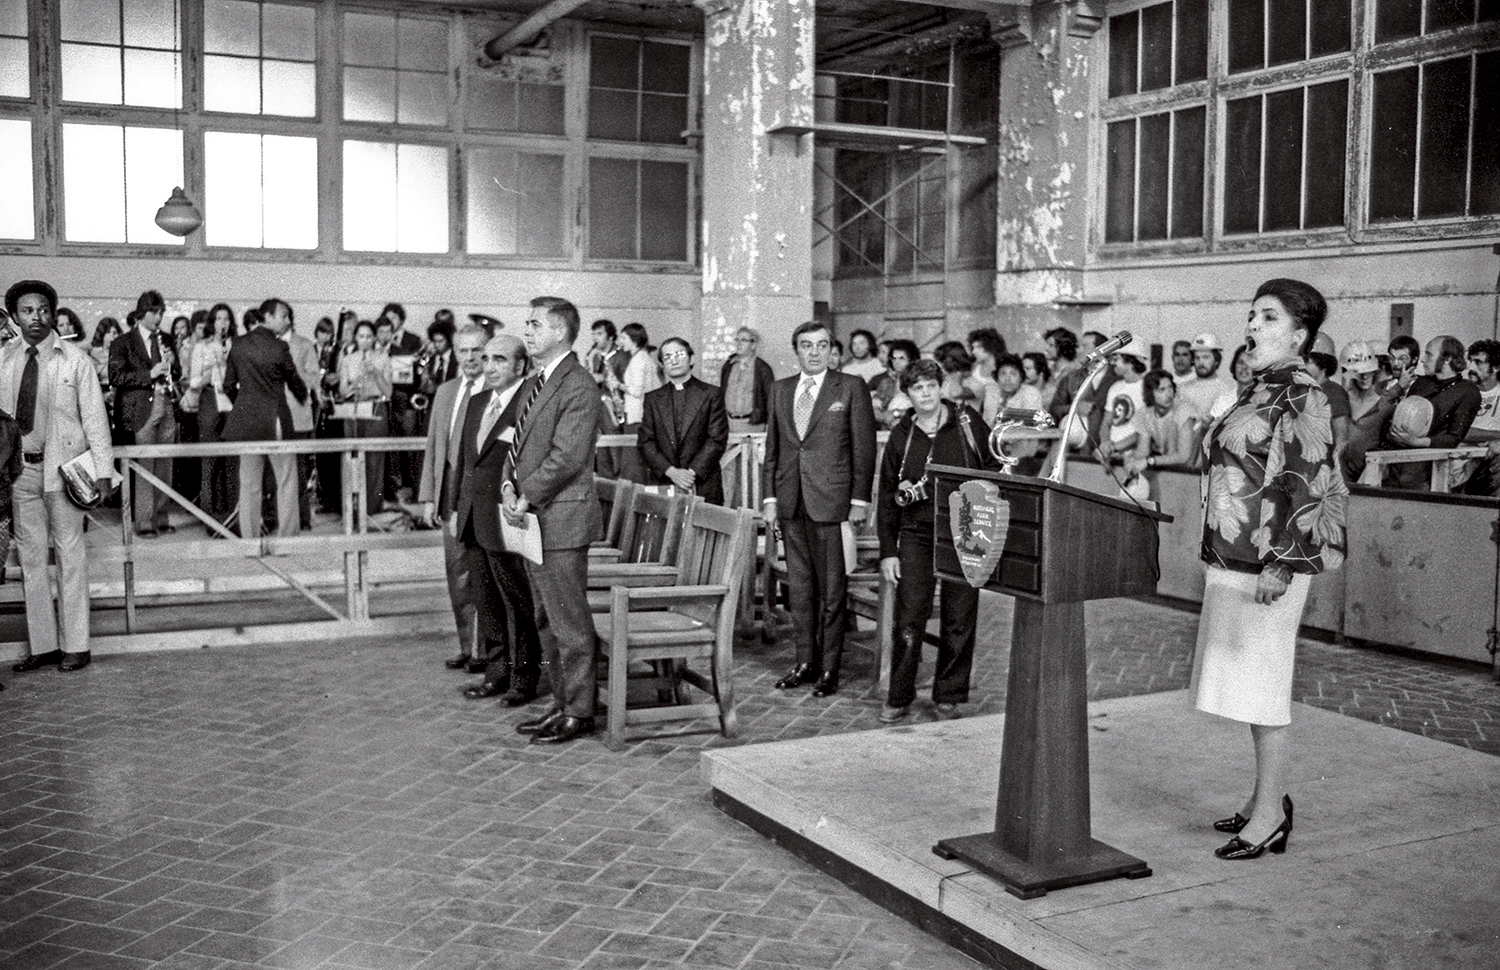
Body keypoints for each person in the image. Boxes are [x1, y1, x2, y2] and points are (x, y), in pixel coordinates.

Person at [1194, 278, 1346, 861]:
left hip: (1269, 562)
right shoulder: (1261, 388)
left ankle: (1270, 819)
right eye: (1252, 315)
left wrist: (1283, 564)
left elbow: (1306, 482)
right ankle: (1266, 798)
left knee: (1264, 688)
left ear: (1300, 335)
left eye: (1269, 318)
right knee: (1250, 686)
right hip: (1236, 557)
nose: (1253, 325)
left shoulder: (1302, 393)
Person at [504, 297, 602, 745]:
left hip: (561, 519)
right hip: (534, 517)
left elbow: (567, 457)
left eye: (535, 324)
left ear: (561, 332)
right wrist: (508, 485)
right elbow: (517, 444)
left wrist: (525, 494)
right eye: (527, 323)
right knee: (546, 619)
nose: (527, 330)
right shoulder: (536, 382)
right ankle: (562, 702)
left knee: (569, 622)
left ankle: (581, 711)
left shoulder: (577, 385)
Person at [3, 280, 114, 674]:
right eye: (28, 311)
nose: (37, 317)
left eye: (44, 310)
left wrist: (103, 472)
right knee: (31, 560)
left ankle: (76, 645)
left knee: (70, 554)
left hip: (65, 472)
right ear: (15, 317)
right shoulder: (4, 359)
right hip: (20, 472)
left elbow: (96, 420)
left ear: (53, 314)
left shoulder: (75, 360)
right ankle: (45, 646)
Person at [763, 320, 877, 698]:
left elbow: (864, 448)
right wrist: (770, 500)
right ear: (796, 350)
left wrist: (859, 501)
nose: (814, 352)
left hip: (831, 504)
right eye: (806, 345)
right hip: (791, 503)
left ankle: (829, 668)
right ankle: (804, 662)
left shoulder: (849, 387)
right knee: (800, 591)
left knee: (831, 591)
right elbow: (774, 451)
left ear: (831, 350)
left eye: (821, 345)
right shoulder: (780, 389)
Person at [877, 359, 994, 723]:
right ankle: (899, 695)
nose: (925, 394)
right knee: (910, 617)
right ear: (907, 394)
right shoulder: (902, 433)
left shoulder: (967, 422)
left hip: (966, 528)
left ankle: (949, 695)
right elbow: (886, 497)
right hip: (916, 534)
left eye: (930, 386)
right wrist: (888, 551)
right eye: (917, 388)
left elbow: (993, 470)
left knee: (960, 616)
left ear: (940, 387)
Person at [454, 332, 542, 703]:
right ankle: (496, 671)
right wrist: (455, 509)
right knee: (487, 600)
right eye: (486, 359)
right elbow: (465, 462)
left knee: (515, 600)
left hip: (507, 517)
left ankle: (523, 678)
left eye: (499, 360)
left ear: (521, 365)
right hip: (474, 516)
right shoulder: (476, 403)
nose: (488, 366)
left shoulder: (529, 403)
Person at [419, 323, 490, 670]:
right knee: (456, 571)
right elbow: (434, 446)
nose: (471, 357)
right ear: (455, 353)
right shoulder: (446, 391)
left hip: (480, 495)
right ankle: (467, 646)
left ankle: (485, 650)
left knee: (481, 573)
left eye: (477, 350)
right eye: (464, 350)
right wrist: (429, 496)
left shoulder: (497, 390)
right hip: (449, 493)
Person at [221, 298, 308, 539]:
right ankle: (288, 536)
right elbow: (295, 383)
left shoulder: (237, 344)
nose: (287, 320)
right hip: (275, 419)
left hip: (247, 422)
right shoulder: (279, 347)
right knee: (286, 479)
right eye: (283, 315)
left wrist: (245, 404)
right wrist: (305, 396)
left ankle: (249, 539)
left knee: (249, 483)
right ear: (267, 317)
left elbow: (228, 385)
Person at [109, 290, 178, 537]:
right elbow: (116, 376)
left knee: (165, 466)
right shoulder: (123, 343)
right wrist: (148, 375)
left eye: (161, 312)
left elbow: (176, 374)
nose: (158, 317)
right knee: (146, 466)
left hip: (166, 404)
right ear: (141, 313)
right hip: (142, 410)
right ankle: (144, 521)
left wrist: (173, 363)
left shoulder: (166, 339)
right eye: (154, 312)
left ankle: (162, 516)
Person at [1381, 336, 1481, 490]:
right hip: (1392, 461)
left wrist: (1416, 442)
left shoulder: (1468, 392)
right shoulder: (1422, 383)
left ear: (1447, 358)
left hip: (1427, 469)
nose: (1423, 360)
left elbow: (1453, 438)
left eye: (1429, 354)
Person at [638, 337, 729, 504]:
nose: (673, 360)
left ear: (691, 358)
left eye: (679, 354)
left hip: (703, 481)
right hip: (664, 481)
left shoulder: (711, 394)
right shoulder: (653, 399)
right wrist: (672, 472)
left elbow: (716, 439)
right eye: (667, 357)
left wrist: (690, 474)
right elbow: (646, 442)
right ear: (662, 365)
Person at [338, 321, 393, 518]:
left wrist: (376, 373)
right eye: (361, 336)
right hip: (355, 408)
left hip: (377, 406)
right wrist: (352, 387)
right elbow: (342, 391)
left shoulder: (383, 358)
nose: (365, 341)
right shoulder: (347, 360)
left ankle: (371, 507)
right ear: (356, 338)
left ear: (374, 338)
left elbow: (389, 391)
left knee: (374, 460)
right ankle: (351, 507)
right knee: (351, 458)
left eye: (369, 336)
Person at [190, 304, 238, 521]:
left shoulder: (235, 345)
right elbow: (192, 382)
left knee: (232, 463)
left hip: (231, 402)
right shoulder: (202, 347)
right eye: (219, 319)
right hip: (209, 400)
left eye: (226, 319)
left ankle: (231, 514)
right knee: (209, 463)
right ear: (212, 323)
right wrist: (206, 377)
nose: (223, 323)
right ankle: (209, 516)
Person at [277, 302, 321, 531]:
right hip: (275, 415)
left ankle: (302, 518)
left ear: (288, 319)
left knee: (300, 470)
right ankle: (280, 517)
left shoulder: (304, 345)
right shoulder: (268, 344)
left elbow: (314, 379)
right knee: (278, 471)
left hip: (298, 413)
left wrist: (293, 370)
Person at [1123, 370, 1203, 479]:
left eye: (1170, 388)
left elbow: (1183, 456)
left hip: (1196, 472)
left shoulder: (1183, 410)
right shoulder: (1145, 413)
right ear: (1150, 393)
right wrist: (1130, 459)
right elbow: (1143, 450)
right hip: (1173, 471)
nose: (1169, 394)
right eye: (1162, 390)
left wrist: (1149, 461)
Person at [609, 322, 660, 482]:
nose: (620, 342)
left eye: (623, 338)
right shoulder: (643, 358)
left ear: (634, 339)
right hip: (641, 416)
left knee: (633, 464)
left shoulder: (639, 360)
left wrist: (617, 385)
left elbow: (637, 390)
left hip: (638, 418)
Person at [1340, 339, 1389, 482]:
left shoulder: (1384, 406)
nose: (1365, 376)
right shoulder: (1339, 400)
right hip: (1338, 474)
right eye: (1358, 372)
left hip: (1367, 476)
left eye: (1369, 371)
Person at [1457, 340, 1500, 495]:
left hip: (1488, 466)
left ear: (1496, 367)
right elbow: (1460, 431)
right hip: (1458, 464)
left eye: (1478, 362)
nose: (1471, 368)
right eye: (1470, 361)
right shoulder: (1461, 392)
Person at [1305, 332, 1351, 472]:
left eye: (1307, 361)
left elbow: (1342, 440)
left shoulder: (1334, 393)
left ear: (1323, 365)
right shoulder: (1302, 392)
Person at [718, 326, 775, 432]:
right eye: (737, 340)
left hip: (753, 424)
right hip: (728, 423)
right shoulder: (728, 365)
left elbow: (771, 401)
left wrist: (769, 426)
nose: (739, 343)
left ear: (753, 345)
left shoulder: (762, 369)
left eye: (744, 340)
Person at [1178, 332, 1237, 419]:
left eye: (1206, 357)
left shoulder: (1226, 391)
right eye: (1197, 358)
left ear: (1216, 360)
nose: (1201, 362)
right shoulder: (1182, 389)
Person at [870, 339, 919, 428]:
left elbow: (924, 409)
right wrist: (881, 416)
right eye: (894, 358)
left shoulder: (919, 383)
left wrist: (895, 413)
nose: (897, 362)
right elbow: (875, 406)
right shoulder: (886, 382)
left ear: (912, 360)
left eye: (901, 358)